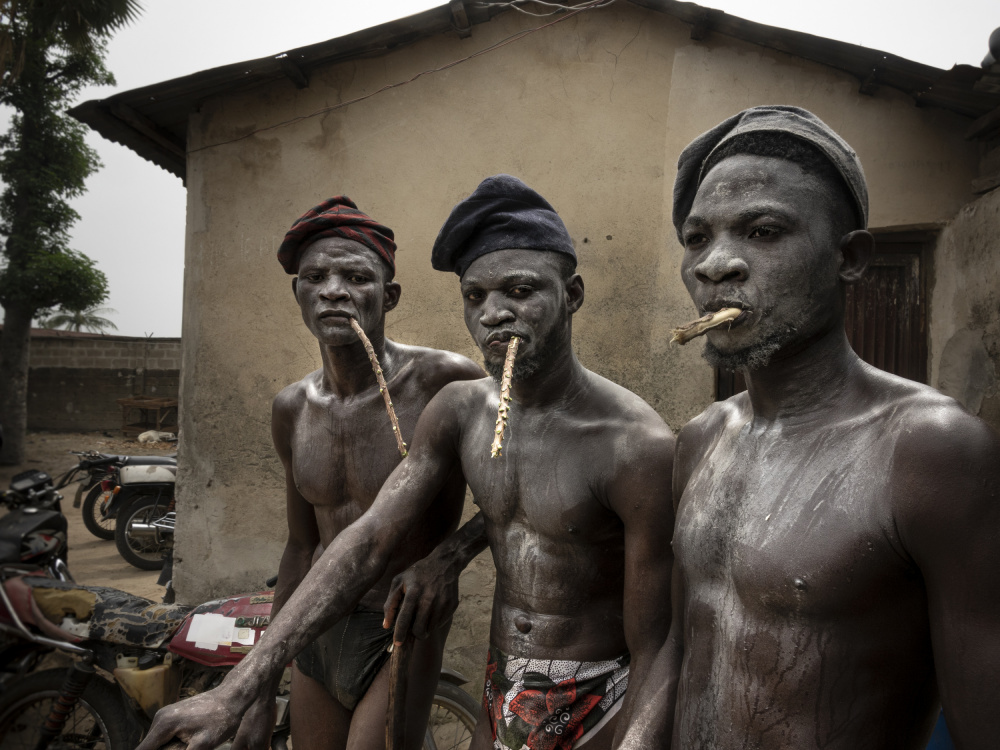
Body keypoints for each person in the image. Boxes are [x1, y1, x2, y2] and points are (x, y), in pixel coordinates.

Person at [137, 175, 675, 750]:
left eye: (520, 292)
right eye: (476, 297)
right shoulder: (457, 410)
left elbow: (661, 640)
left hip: (581, 686)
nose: (494, 314)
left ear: (572, 295)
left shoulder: (631, 444)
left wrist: (446, 556)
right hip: (491, 678)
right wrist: (245, 685)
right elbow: (361, 538)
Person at [620, 106, 1000, 749]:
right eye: (696, 239)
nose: (717, 265)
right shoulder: (701, 441)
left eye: (763, 232)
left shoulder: (931, 451)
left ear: (850, 258)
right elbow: (682, 644)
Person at [266, 196, 482, 750]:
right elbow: (299, 546)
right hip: (317, 624)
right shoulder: (293, 406)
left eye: (354, 276)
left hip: (402, 625)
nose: (333, 289)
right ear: (298, 293)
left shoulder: (445, 382)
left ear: (388, 296)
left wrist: (445, 561)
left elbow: (518, 495)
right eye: (314, 276)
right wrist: (262, 681)